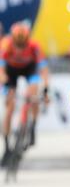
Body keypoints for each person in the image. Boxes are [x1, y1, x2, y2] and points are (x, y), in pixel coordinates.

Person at [0, 22, 49, 167]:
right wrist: (5, 84)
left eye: (23, 46)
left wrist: (45, 89)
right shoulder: (5, 45)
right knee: (10, 106)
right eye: (18, 46)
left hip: (29, 69)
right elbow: (1, 71)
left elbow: (44, 71)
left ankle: (32, 125)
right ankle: (7, 145)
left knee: (33, 92)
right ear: (13, 41)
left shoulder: (34, 46)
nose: (20, 50)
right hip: (11, 72)